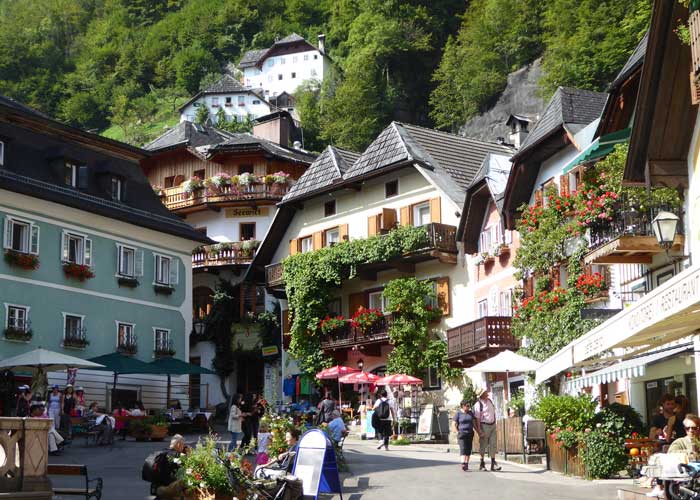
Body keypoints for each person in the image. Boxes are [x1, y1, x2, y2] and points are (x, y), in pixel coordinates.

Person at [473, 387, 501, 471]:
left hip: (492, 425)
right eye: (485, 393)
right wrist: (479, 431)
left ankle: (493, 463)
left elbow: (493, 413)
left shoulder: (490, 401)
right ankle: (482, 463)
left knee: (493, 444)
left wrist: (494, 422)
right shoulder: (478, 405)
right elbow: (477, 419)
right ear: (481, 395)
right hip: (484, 425)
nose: (487, 394)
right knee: (483, 445)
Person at [155, 434, 189, 500]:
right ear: (178, 444)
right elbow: (190, 463)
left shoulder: (162, 452)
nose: (183, 448)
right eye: (183, 445)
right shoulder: (178, 455)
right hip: (170, 488)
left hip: (160, 484)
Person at [453, 400, 479, 471]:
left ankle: (466, 463)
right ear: (463, 406)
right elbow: (454, 423)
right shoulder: (458, 413)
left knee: (468, 449)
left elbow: (474, 424)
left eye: (469, 406)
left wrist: (478, 432)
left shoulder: (470, 413)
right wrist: (456, 431)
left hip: (470, 433)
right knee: (463, 448)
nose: (468, 407)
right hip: (461, 433)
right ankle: (463, 463)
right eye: (467, 406)